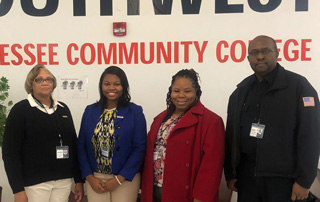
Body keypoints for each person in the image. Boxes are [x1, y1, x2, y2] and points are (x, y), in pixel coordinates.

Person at [224, 35, 320, 202]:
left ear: (277, 54)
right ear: (248, 58)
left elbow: (310, 136)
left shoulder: (299, 87)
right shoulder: (241, 92)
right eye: (254, 53)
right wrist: (230, 173)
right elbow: (231, 136)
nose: (260, 56)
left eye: (265, 51)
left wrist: (304, 181)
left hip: (285, 181)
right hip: (247, 180)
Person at [2, 64, 83, 202]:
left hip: (63, 182)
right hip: (34, 185)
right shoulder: (20, 110)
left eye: (49, 79)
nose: (45, 82)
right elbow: (10, 153)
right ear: (31, 84)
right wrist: (18, 190)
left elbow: (73, 147)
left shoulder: (63, 109)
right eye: (39, 79)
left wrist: (78, 180)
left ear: (53, 83)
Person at [140, 69, 225, 202]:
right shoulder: (161, 119)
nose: (181, 95)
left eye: (187, 91)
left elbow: (212, 166)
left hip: (185, 193)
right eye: (176, 91)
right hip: (154, 189)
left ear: (196, 92)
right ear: (170, 92)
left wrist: (201, 197)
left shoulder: (211, 121)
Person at [77, 66, 147, 202]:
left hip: (124, 178)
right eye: (107, 84)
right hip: (95, 178)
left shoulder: (135, 112)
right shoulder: (90, 110)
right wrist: (89, 177)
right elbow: (81, 146)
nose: (111, 88)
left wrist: (119, 179)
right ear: (101, 86)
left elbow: (139, 148)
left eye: (117, 84)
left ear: (124, 86)